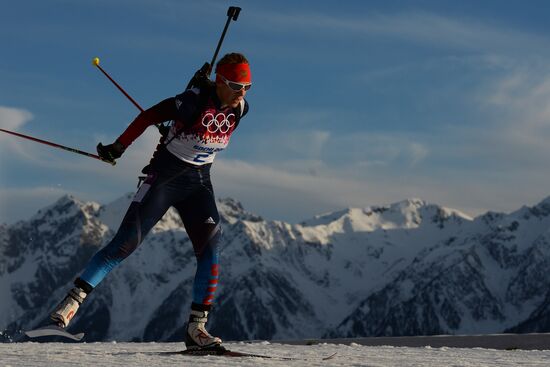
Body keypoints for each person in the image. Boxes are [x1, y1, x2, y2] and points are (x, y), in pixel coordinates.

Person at [49, 53, 252, 350]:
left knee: (210, 249)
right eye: (236, 85)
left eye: (247, 86)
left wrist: (199, 94)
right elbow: (148, 116)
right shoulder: (191, 102)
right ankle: (71, 303)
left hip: (199, 184)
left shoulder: (241, 108)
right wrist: (117, 148)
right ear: (221, 81)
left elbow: (209, 114)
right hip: (164, 180)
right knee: (125, 243)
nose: (242, 93)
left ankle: (197, 329)